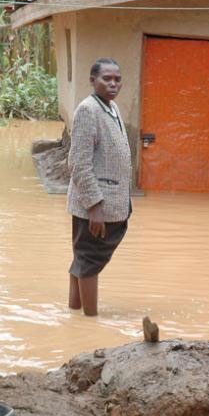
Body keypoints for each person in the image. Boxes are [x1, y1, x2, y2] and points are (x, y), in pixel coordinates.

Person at [67, 58, 132, 316]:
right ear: (93, 80)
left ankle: (75, 311)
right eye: (107, 78)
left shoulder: (111, 107)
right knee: (90, 262)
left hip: (112, 204)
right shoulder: (88, 110)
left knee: (83, 261)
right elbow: (78, 162)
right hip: (95, 208)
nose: (113, 84)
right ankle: (89, 321)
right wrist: (94, 206)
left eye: (117, 79)